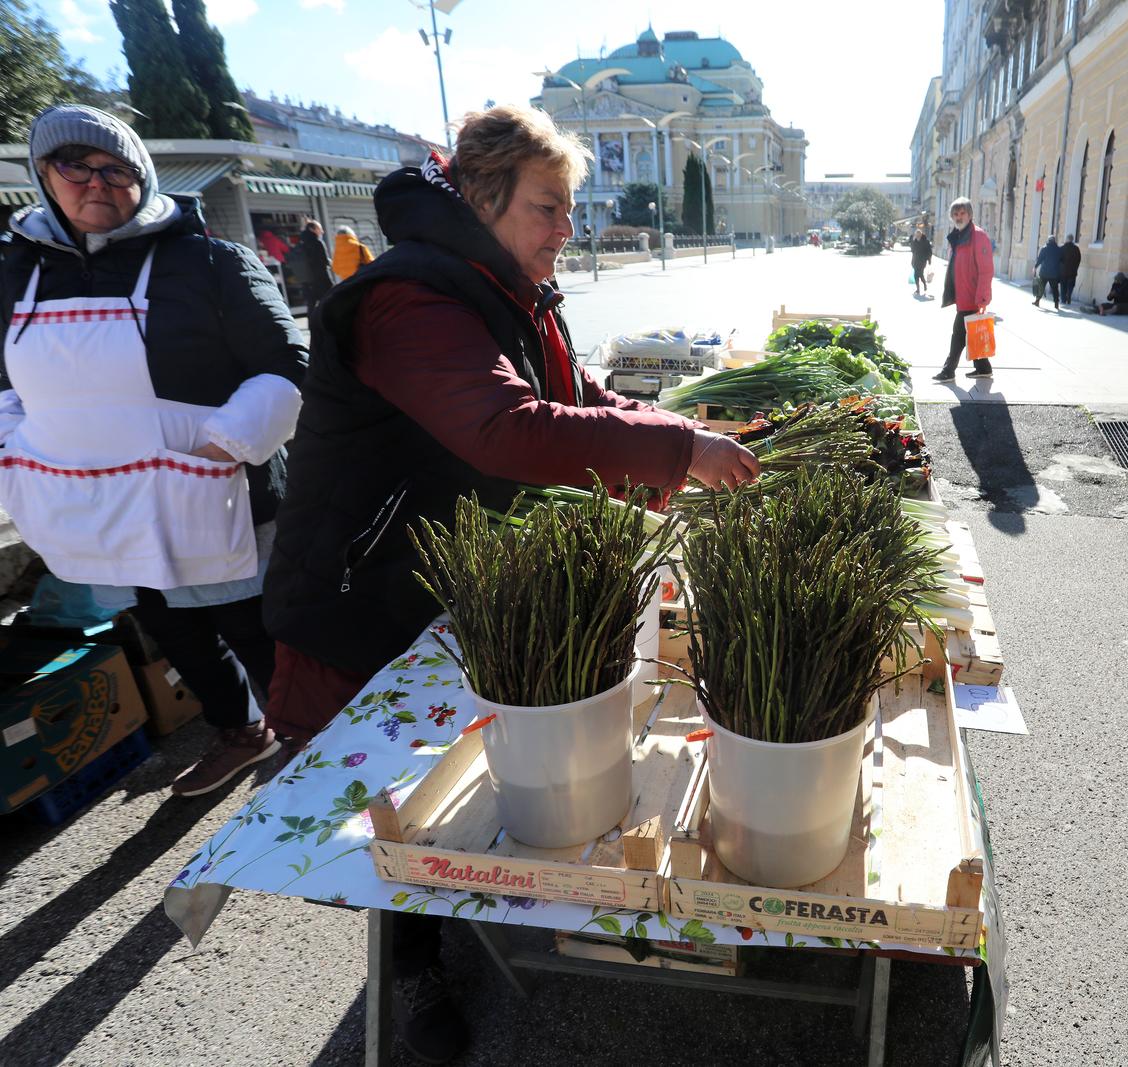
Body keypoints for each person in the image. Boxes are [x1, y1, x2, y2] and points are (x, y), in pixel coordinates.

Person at [259, 104, 757, 1063]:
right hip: (370, 596)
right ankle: (410, 963)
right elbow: (507, 429)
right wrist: (677, 447)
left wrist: (672, 437)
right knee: (394, 801)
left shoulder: (505, 286)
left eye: (569, 208)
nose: (565, 227)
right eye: (547, 207)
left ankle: (462, 903)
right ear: (482, 201)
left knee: (464, 768)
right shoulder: (411, 300)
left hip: (452, 587)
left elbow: (573, 402)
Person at [0, 105, 306, 796]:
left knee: (258, 630)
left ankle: (306, 746)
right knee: (174, 627)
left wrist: (230, 440)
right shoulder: (16, 273)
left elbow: (287, 361)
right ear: (45, 177)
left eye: (115, 169)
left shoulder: (206, 261)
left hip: (216, 492)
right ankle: (242, 731)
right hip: (102, 503)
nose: (95, 183)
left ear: (142, 178)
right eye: (73, 166)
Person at [932, 196, 993, 384]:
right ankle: (983, 367)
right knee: (971, 332)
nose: (959, 217)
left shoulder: (978, 236)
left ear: (970, 214)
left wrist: (982, 298)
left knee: (958, 334)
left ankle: (948, 370)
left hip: (972, 297)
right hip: (963, 295)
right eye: (955, 214)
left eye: (962, 213)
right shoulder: (958, 236)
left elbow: (986, 270)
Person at [292, 218, 334, 311]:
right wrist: (329, 262)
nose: (322, 232)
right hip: (321, 280)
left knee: (311, 306)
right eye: (319, 229)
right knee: (328, 303)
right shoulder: (318, 243)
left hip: (306, 280)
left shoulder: (300, 244)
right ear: (312, 229)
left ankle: (312, 324)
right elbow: (323, 262)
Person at [1034, 235, 1064, 309]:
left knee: (1041, 287)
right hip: (1054, 273)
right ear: (1054, 241)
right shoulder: (1059, 250)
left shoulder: (1044, 248)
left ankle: (1037, 301)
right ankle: (1056, 304)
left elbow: (1040, 259)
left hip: (1044, 272)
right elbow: (1062, 261)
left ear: (1048, 240)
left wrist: (1035, 267)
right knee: (1055, 289)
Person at [910, 224, 933, 296]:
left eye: (918, 234)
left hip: (922, 261)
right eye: (916, 235)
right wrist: (913, 242)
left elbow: (929, 251)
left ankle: (923, 285)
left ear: (921, 234)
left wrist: (929, 259)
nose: (917, 236)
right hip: (915, 260)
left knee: (919, 274)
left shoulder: (926, 241)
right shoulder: (915, 241)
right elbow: (912, 250)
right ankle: (918, 289)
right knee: (916, 275)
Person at [1059, 233, 1081, 305]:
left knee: (1063, 286)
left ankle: (1063, 300)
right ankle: (1069, 295)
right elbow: (1079, 259)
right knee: (1071, 285)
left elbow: (1059, 259)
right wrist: (1076, 268)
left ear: (1067, 239)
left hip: (1063, 272)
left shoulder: (1062, 248)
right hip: (1072, 272)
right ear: (1072, 240)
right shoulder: (1076, 249)